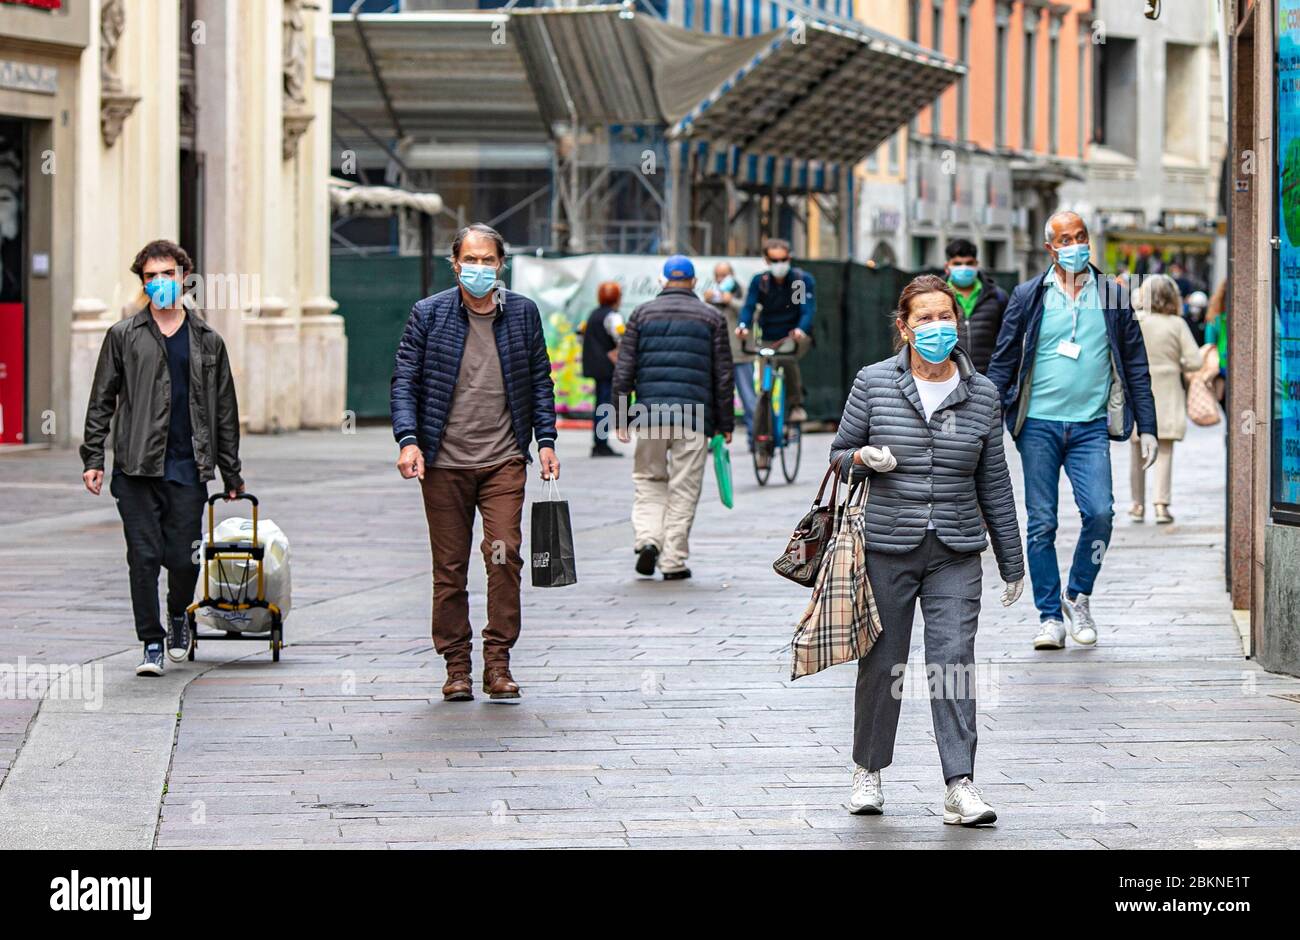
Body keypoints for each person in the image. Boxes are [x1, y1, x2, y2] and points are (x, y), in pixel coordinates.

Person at [829, 274, 1024, 826]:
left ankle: (960, 785)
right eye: (925, 319)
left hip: (955, 551)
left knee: (953, 662)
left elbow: (995, 482)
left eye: (946, 317)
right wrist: (864, 457)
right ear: (904, 327)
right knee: (883, 662)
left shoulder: (982, 393)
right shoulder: (873, 383)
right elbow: (838, 456)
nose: (938, 327)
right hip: (888, 545)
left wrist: (1012, 560)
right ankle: (868, 771)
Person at [391, 223, 559, 703]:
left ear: (501, 265)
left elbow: (540, 380)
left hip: (503, 459)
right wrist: (409, 441)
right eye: (471, 260)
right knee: (449, 568)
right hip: (443, 464)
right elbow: (404, 380)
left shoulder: (522, 314)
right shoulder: (428, 314)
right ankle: (457, 666)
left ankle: (498, 661)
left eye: (489, 261)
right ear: (455, 263)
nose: (479, 269)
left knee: (504, 555)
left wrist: (544, 441)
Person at [987, 211, 1158, 651]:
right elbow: (1003, 363)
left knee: (1100, 512)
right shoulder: (1028, 296)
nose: (1075, 245)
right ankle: (1049, 617)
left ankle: (1078, 595)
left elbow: (1135, 365)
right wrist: (990, 420)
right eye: (1066, 239)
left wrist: (1150, 427)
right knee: (1041, 522)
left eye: (1081, 236)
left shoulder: (1114, 295)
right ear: (1051, 247)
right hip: (1038, 427)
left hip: (1089, 427)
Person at [80, 239, 244, 677]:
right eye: (150, 277)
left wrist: (232, 471)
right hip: (135, 466)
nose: (159, 283)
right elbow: (102, 400)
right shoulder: (123, 336)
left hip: (188, 466)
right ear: (143, 283)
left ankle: (177, 617)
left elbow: (224, 408)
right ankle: (151, 641)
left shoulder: (208, 340)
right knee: (143, 556)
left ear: (184, 277)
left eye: (166, 274)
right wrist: (93, 457)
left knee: (183, 556)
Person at [612, 255, 733, 581]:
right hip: (694, 417)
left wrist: (622, 416)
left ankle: (648, 539)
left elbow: (624, 370)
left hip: (650, 414)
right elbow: (723, 375)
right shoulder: (712, 317)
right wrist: (726, 424)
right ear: (694, 282)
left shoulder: (641, 314)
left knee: (649, 481)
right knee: (684, 488)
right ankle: (673, 560)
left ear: (664, 281)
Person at [1127, 275, 1202, 525]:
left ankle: (1137, 505)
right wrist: (1175, 364)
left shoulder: (1136, 320)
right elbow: (1195, 361)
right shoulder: (1177, 324)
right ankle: (1161, 505)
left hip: (1138, 391)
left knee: (1137, 448)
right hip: (1169, 391)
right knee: (1165, 449)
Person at [737, 238, 814, 423]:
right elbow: (749, 307)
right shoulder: (761, 282)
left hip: (792, 335)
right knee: (765, 378)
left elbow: (806, 310)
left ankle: (796, 405)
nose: (779, 264)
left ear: (789, 258)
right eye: (774, 260)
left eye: (783, 259)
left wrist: (800, 330)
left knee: (786, 358)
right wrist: (743, 326)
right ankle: (764, 416)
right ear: (767, 260)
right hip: (768, 336)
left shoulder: (798, 281)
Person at [704, 261, 755, 447]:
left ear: (732, 274)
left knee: (749, 399)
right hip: (719, 357)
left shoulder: (742, 290)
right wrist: (709, 300)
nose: (721, 279)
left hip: (741, 355)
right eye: (718, 275)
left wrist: (730, 300)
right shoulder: (713, 291)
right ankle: (714, 440)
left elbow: (751, 312)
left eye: (724, 274)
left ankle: (754, 439)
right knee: (716, 401)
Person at [944, 237, 1008, 374]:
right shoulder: (937, 297)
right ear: (947, 267)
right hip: (948, 376)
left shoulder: (997, 297)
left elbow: (1006, 341)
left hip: (988, 377)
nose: (963, 268)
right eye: (957, 264)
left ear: (977, 264)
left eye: (968, 263)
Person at [581, 280, 624, 458]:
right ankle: (601, 444)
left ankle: (599, 442)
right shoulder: (613, 317)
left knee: (601, 402)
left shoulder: (593, 314)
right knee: (605, 404)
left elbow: (580, 334)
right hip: (608, 367)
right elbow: (622, 337)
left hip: (594, 365)